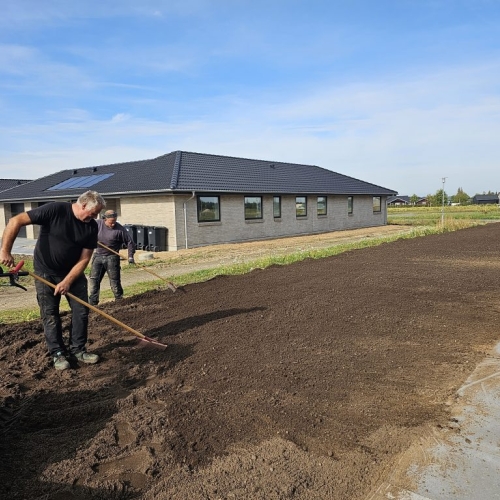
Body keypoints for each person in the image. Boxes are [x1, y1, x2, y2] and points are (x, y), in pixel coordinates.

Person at [0, 190, 106, 371]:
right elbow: (15, 221)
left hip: (73, 274)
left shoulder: (91, 227)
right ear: (83, 205)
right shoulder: (55, 210)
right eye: (93, 213)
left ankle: (78, 350)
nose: (95, 217)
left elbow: (84, 259)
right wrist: (5, 250)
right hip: (45, 272)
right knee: (50, 314)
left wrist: (67, 281)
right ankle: (57, 353)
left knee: (81, 311)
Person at [88, 210, 136, 306]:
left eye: (114, 221)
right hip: (98, 256)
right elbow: (86, 227)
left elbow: (130, 242)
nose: (113, 224)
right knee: (94, 279)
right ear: (105, 219)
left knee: (115, 281)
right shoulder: (97, 224)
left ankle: (119, 301)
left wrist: (130, 256)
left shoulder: (120, 229)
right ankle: (93, 303)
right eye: (111, 222)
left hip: (112, 257)